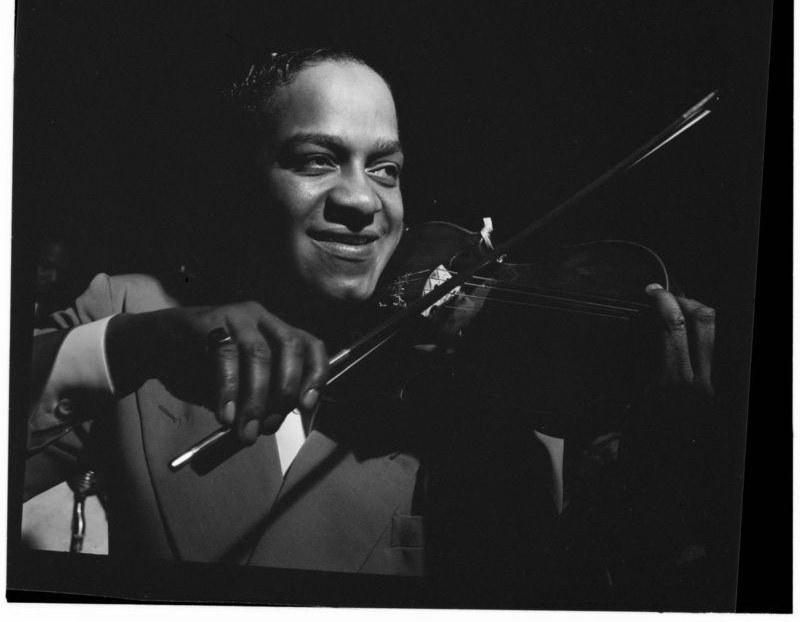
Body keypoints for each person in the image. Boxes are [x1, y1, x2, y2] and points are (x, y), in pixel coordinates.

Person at [25, 48, 716, 602]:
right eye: (316, 159)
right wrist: (128, 345)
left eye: (385, 169)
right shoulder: (132, 311)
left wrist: (647, 498)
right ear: (243, 183)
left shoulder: (476, 429)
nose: (361, 199)